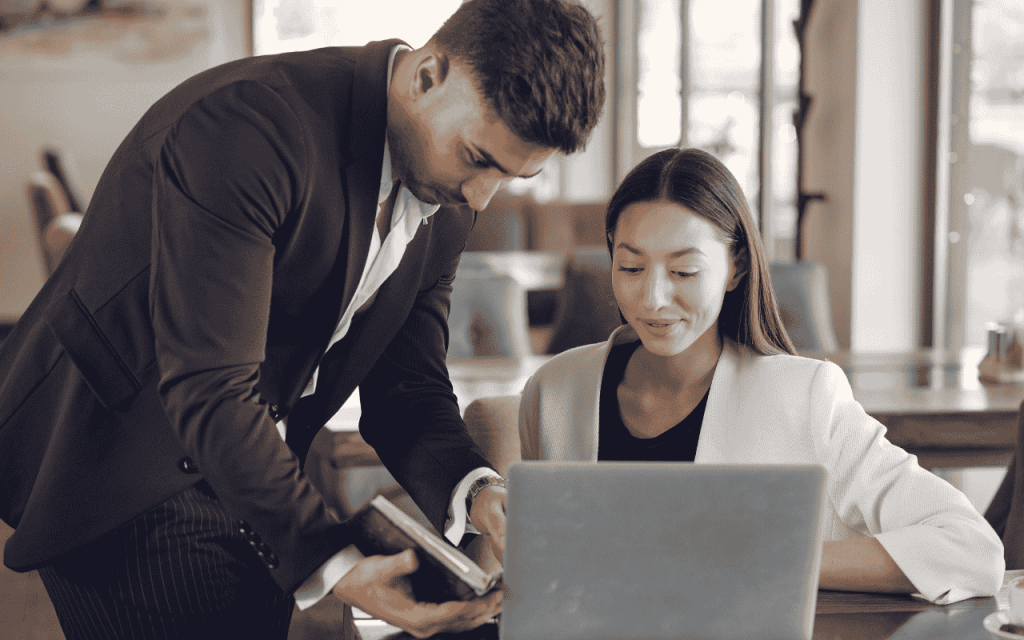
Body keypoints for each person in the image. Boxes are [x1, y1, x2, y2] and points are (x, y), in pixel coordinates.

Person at [0, 0, 605, 637]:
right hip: (123, 457)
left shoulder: (447, 197)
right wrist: (330, 558)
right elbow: (210, 386)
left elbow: (408, 389)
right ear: (428, 75)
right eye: (479, 158)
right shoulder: (251, 127)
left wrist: (480, 496)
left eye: (514, 176)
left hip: (249, 461)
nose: (481, 197)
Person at [517, 148, 1004, 604]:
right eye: (630, 266)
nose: (652, 298)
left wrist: (768, 558)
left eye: (684, 272)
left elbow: (970, 548)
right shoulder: (556, 390)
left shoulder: (805, 396)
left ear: (736, 268)